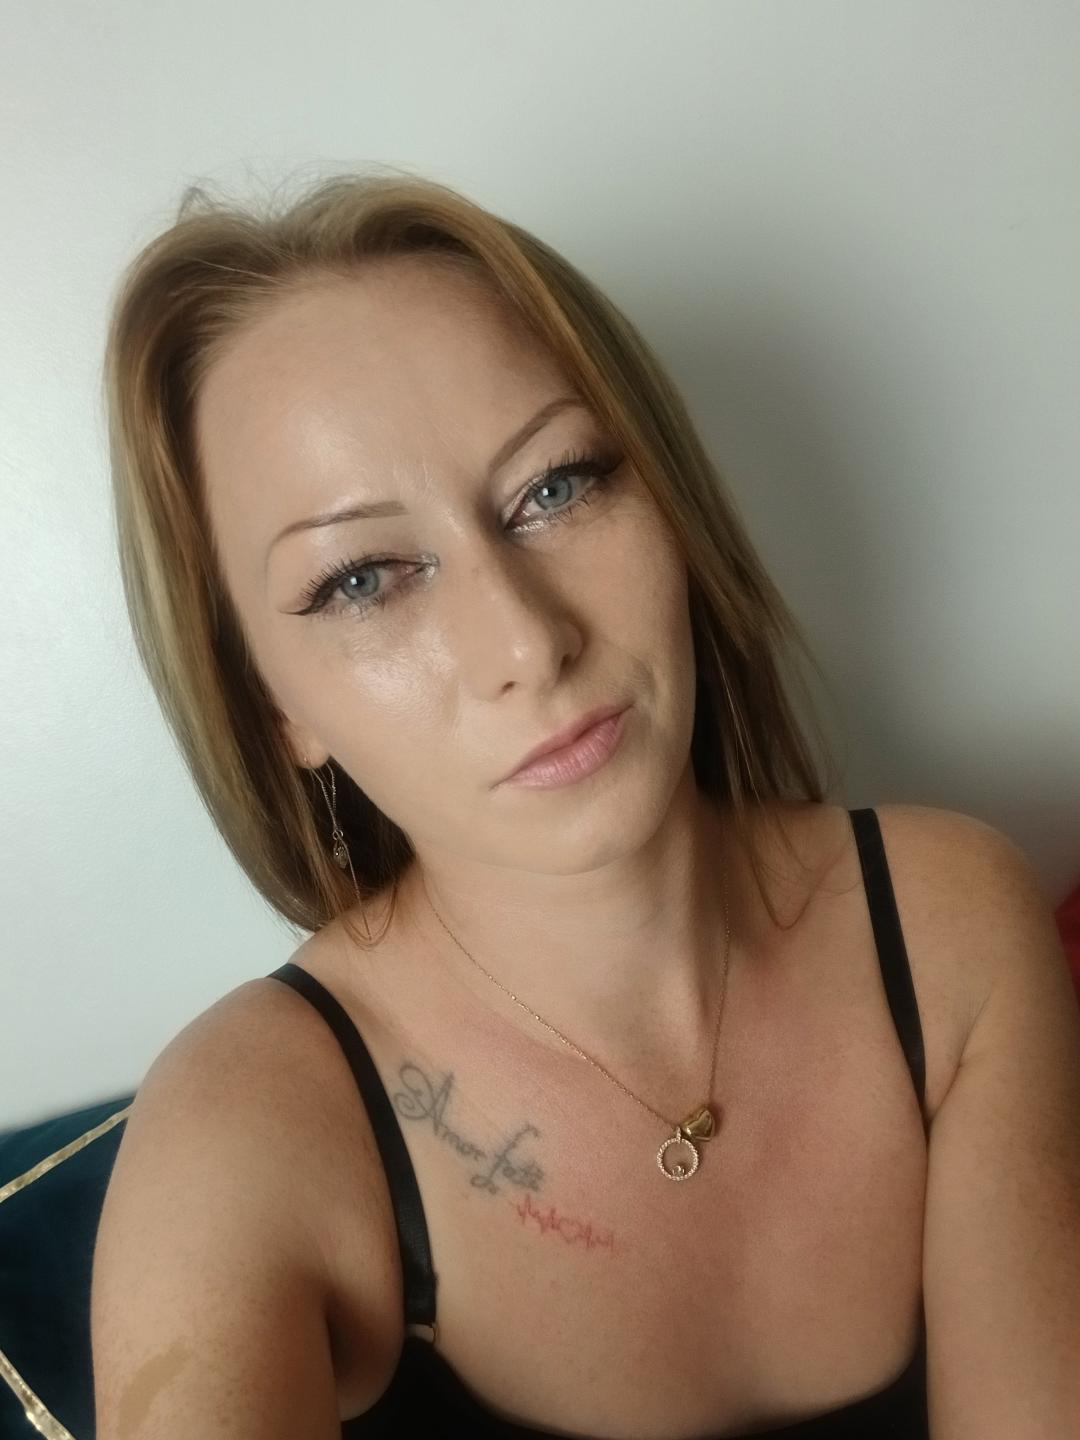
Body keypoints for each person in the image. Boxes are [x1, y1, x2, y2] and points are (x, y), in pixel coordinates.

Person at [90, 168, 1080, 1438]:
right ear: (275, 708)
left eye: (556, 487)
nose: (527, 641)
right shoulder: (244, 1132)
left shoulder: (950, 930)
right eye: (362, 580)